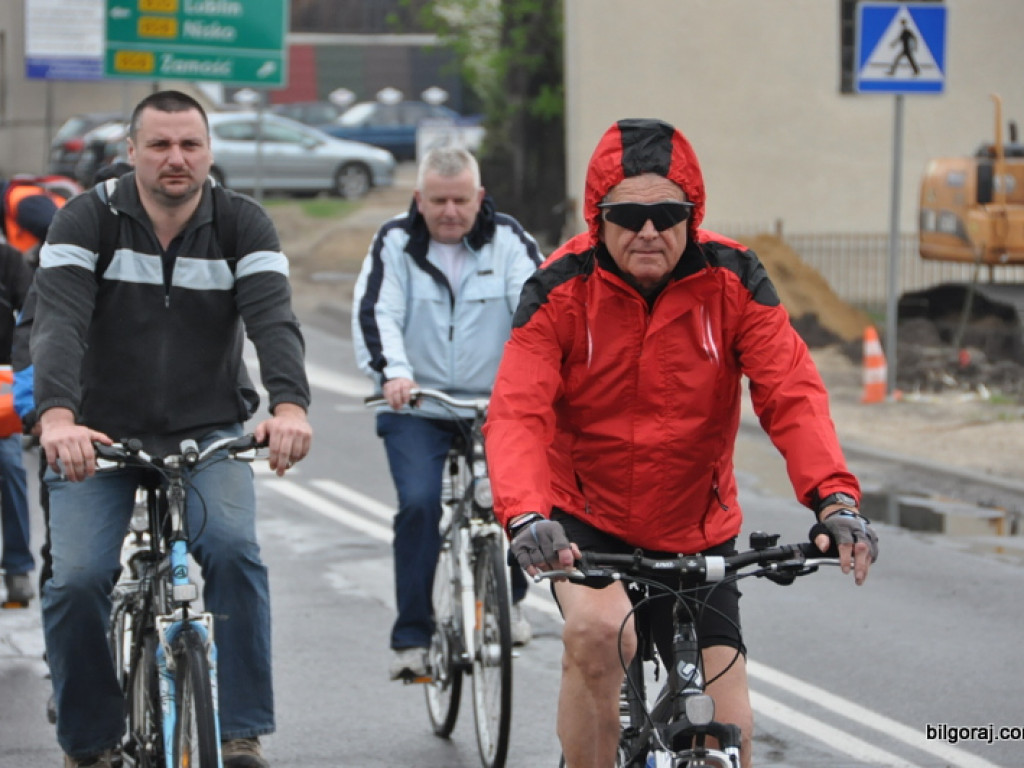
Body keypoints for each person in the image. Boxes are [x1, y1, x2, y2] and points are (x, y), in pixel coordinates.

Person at [483, 118, 879, 768]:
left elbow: (792, 393)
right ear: (597, 217)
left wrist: (835, 502)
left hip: (697, 529)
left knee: (735, 734)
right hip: (587, 526)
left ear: (692, 216)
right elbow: (518, 412)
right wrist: (527, 514)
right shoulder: (559, 289)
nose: (647, 231)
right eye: (627, 214)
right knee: (599, 632)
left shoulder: (735, 279)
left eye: (667, 214)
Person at [31, 90, 313, 768]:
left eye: (190, 144)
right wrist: (59, 418)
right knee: (75, 580)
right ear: (131, 153)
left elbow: (274, 321)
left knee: (236, 554)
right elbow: (59, 325)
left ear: (209, 152)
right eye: (159, 145)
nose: (175, 158)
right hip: (97, 435)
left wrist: (291, 407)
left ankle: (240, 729)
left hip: (206, 429)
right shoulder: (84, 220)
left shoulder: (243, 223)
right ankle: (90, 738)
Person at [352, 146, 543, 680]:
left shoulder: (509, 241)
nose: (450, 212)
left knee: (517, 497)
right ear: (419, 198)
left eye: (461, 200)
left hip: (496, 404)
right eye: (438, 200)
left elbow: (537, 307)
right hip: (417, 404)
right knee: (417, 505)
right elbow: (377, 311)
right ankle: (413, 635)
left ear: (479, 198)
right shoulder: (394, 241)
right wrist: (392, 373)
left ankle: (513, 599)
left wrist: (530, 382)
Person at [0, 240, 33, 606]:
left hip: (1, 391)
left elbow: (32, 325)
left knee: (10, 467)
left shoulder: (9, 262)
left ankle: (17, 567)